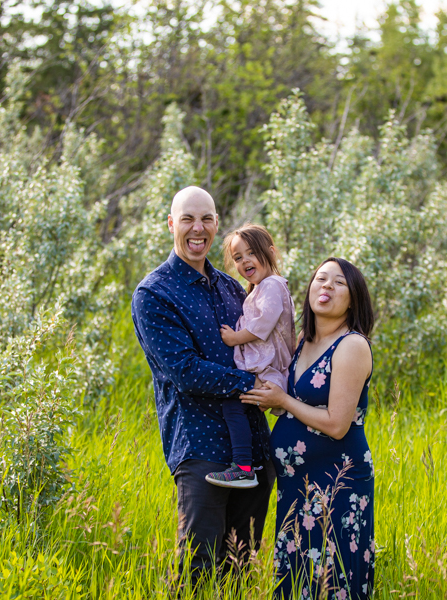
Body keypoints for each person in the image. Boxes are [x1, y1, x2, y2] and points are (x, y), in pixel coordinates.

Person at [130, 186, 275, 586]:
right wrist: (255, 383)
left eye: (207, 218)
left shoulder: (232, 288)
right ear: (172, 224)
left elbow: (264, 344)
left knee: (240, 572)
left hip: (255, 451)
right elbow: (185, 371)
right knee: (199, 573)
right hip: (202, 449)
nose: (199, 228)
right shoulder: (154, 294)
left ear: (216, 224)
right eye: (188, 219)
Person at [240, 257, 376, 599]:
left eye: (338, 282)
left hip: (337, 486)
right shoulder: (302, 341)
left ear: (353, 298)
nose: (326, 285)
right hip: (296, 488)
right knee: (296, 580)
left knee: (333, 583)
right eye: (321, 278)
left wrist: (283, 402)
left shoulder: (351, 346)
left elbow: (336, 424)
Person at [205, 224, 296, 489]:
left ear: (270, 252)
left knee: (233, 406)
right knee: (236, 408)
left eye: (251, 253)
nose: (245, 261)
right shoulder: (260, 288)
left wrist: (235, 338)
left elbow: (263, 323)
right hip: (265, 369)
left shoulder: (271, 285)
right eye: (238, 257)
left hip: (268, 371)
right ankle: (245, 466)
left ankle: (243, 468)